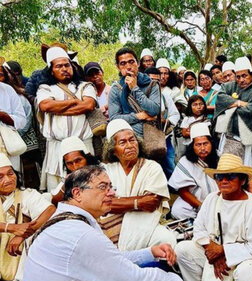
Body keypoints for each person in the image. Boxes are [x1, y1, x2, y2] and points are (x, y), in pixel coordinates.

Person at [22, 165, 185, 281]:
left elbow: (111, 260)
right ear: (77, 193)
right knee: (146, 280)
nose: (112, 193)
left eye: (111, 187)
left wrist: (150, 252)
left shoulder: (66, 219)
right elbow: (133, 280)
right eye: (103, 187)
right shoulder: (79, 234)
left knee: (149, 270)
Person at [175, 153, 252, 281]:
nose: (224, 181)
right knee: (183, 250)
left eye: (230, 176)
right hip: (215, 252)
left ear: (242, 180)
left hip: (245, 258)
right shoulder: (212, 199)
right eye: (220, 177)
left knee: (246, 272)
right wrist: (211, 248)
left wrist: (223, 251)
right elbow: (198, 228)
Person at [102, 119, 176, 250]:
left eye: (132, 140)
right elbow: (103, 204)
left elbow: (151, 203)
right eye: (123, 142)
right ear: (113, 150)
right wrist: (138, 202)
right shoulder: (106, 171)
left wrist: (118, 203)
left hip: (144, 225)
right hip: (112, 226)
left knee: (167, 239)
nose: (130, 145)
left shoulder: (152, 167)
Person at [36, 46, 96, 192]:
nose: (64, 69)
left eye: (67, 65)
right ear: (51, 70)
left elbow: (88, 105)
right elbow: (45, 105)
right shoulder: (45, 88)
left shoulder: (84, 86)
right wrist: (74, 101)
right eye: (59, 66)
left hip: (83, 146)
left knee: (89, 186)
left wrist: (58, 108)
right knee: (58, 191)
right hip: (56, 148)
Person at [0, 153, 55, 281]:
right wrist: (11, 228)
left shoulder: (27, 195)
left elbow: (50, 210)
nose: (8, 180)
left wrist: (22, 235)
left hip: (20, 255)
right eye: (0, 177)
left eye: (10, 173)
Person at [214, 56, 252, 166]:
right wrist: (239, 103)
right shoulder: (230, 86)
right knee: (226, 166)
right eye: (238, 77)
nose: (241, 80)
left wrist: (230, 107)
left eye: (244, 76)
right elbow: (220, 98)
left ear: (251, 76)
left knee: (245, 167)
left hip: (247, 137)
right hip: (228, 135)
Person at [168, 124, 219, 219]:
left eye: (205, 143)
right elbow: (183, 191)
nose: (203, 148)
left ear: (211, 144)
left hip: (218, 199)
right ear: (192, 146)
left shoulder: (220, 157)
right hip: (196, 201)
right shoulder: (185, 161)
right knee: (178, 210)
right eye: (198, 145)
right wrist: (201, 207)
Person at [108, 47, 161, 138]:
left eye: (131, 62)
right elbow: (114, 118)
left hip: (151, 138)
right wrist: (139, 116)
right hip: (128, 139)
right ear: (118, 67)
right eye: (123, 63)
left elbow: (154, 110)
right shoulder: (116, 89)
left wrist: (134, 88)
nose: (128, 67)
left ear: (138, 63)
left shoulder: (152, 84)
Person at [51, 136, 100, 206]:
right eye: (69, 163)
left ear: (87, 157)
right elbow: (55, 202)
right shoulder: (70, 178)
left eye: (78, 160)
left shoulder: (103, 171)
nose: (75, 167)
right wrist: (65, 185)